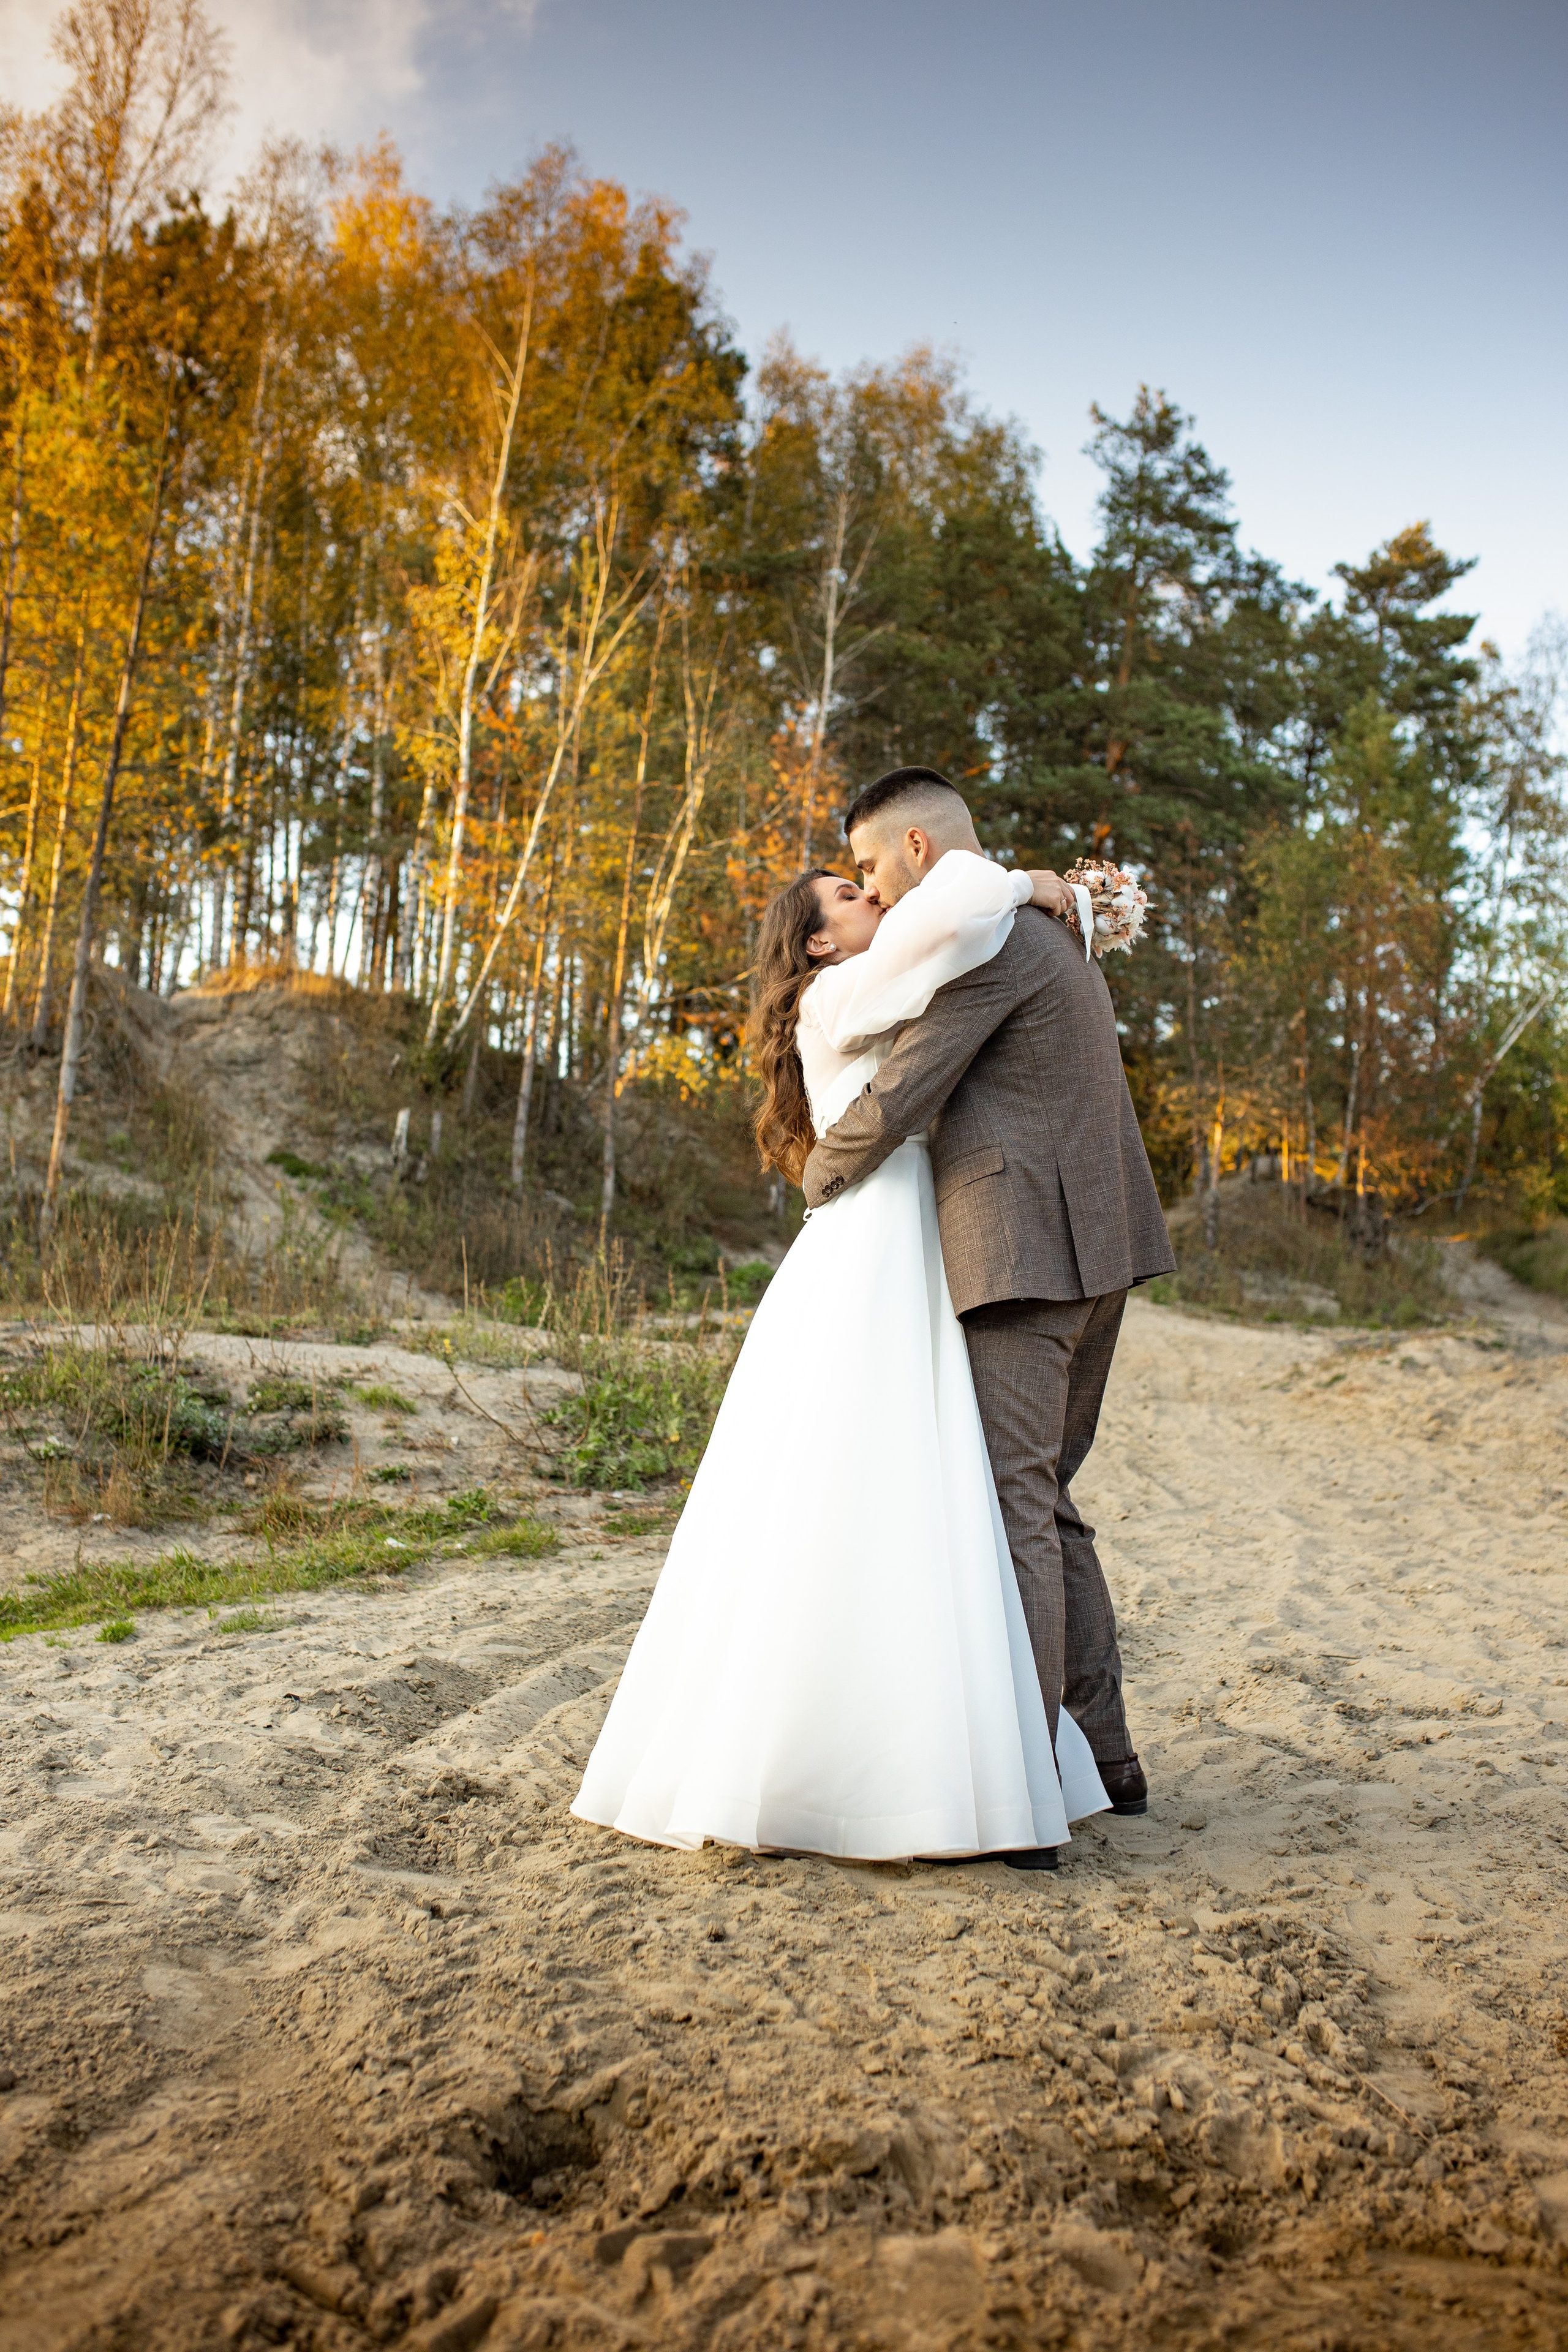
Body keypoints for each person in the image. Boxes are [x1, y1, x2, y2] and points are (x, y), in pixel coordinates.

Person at [573, 837, 1110, 1868]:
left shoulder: (872, 982)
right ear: (818, 942)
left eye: (867, 879)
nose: (871, 894)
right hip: (874, 1243)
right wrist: (1041, 885)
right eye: (847, 892)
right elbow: (955, 906)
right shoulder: (837, 997)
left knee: (929, 1493)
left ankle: (959, 1754)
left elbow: (948, 937)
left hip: (916, 1234)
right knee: (853, 1482)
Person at [802, 767, 1176, 1820]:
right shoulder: (1056, 931)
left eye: (871, 865)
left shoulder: (992, 940)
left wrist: (818, 1178)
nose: (869, 889)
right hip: (1101, 1252)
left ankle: (1021, 1787)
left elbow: (909, 1081)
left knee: (1017, 1507)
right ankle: (1107, 1760)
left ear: (919, 850)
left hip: (1023, 1258)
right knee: (1050, 1502)